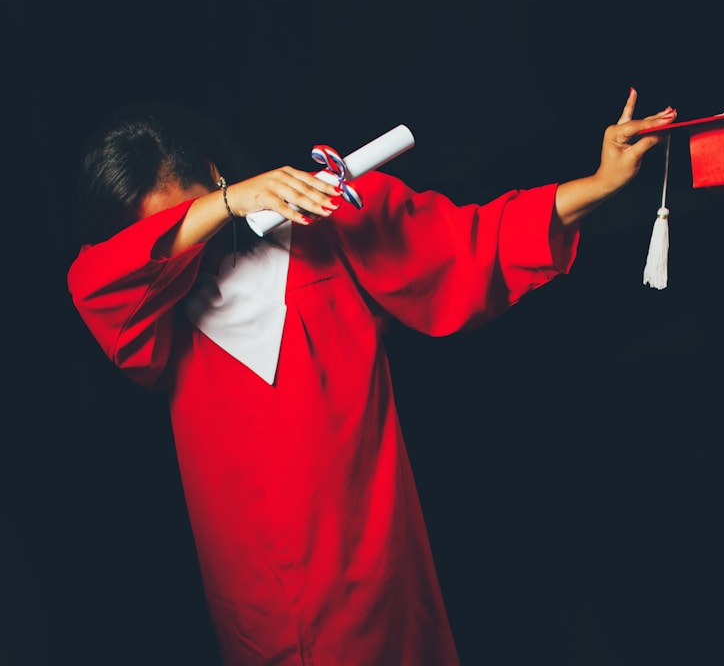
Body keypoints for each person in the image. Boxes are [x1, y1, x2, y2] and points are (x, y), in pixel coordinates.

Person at [67, 88, 676, 666]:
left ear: (213, 170)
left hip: (365, 555)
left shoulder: (325, 225)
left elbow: (470, 242)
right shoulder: (149, 311)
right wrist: (224, 206)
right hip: (252, 592)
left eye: (187, 216)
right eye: (167, 235)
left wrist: (600, 184)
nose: (185, 248)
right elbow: (97, 280)